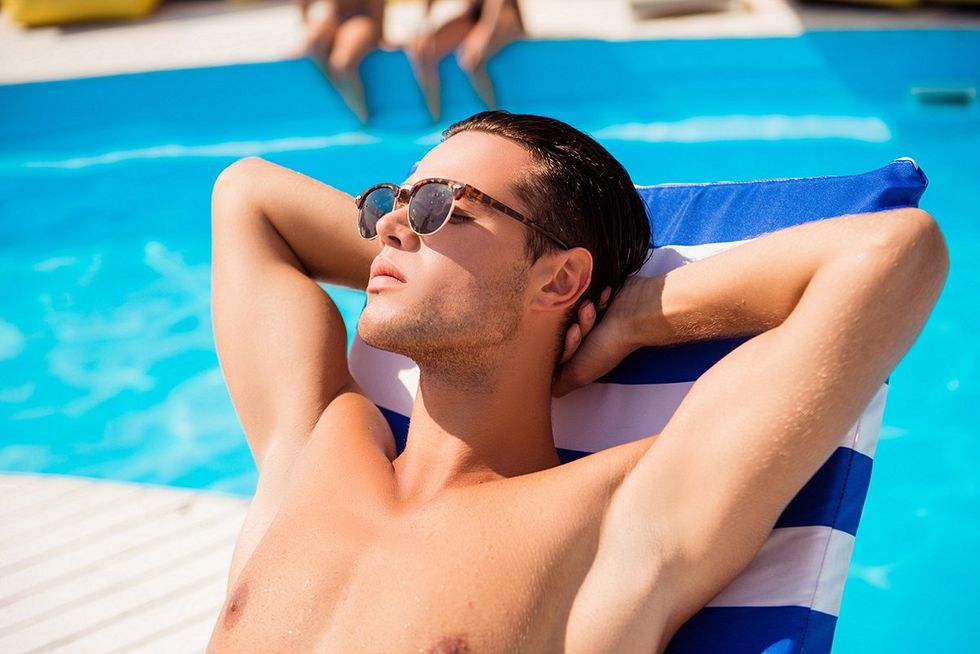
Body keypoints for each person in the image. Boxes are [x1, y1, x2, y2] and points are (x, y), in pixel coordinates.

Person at [205, 111, 947, 652]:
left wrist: (632, 318)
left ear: (560, 278)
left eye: (438, 207)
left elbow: (894, 253)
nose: (393, 227)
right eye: (388, 205)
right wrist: (426, 258)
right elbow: (247, 196)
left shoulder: (620, 518)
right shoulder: (318, 444)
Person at [407, 0, 524, 121]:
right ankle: (436, 120)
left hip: (500, 14)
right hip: (471, 14)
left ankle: (496, 117)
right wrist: (425, 26)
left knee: (471, 60)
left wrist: (484, 33)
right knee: (422, 53)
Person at [291, 0, 384, 123]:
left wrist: (380, 36)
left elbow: (377, 5)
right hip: (333, 16)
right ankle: (340, 105)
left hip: (361, 17)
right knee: (313, 46)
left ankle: (363, 119)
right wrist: (306, 27)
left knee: (341, 65)